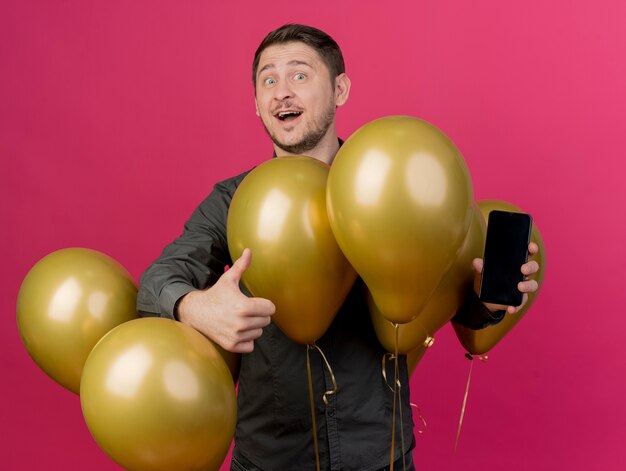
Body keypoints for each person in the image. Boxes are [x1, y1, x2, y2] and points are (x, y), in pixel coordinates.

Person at [137, 24, 540, 471]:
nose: (281, 93)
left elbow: (434, 305)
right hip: (271, 460)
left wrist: (489, 299)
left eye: (300, 76)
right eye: (268, 80)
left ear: (340, 89)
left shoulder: (394, 185)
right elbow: (157, 281)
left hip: (381, 456)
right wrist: (194, 306)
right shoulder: (232, 200)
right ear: (256, 103)